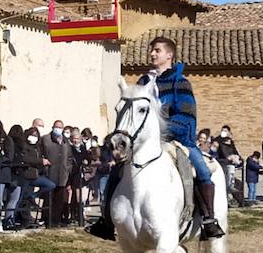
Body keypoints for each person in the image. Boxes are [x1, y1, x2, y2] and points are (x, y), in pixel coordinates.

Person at [91, 36, 224, 240]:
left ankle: (208, 219)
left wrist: (160, 131)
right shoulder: (143, 82)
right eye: (152, 50)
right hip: (142, 143)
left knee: (202, 170)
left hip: (177, 140)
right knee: (117, 170)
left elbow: (187, 117)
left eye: (158, 50)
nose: (152, 53)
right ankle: (106, 221)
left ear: (169, 55)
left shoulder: (181, 83)